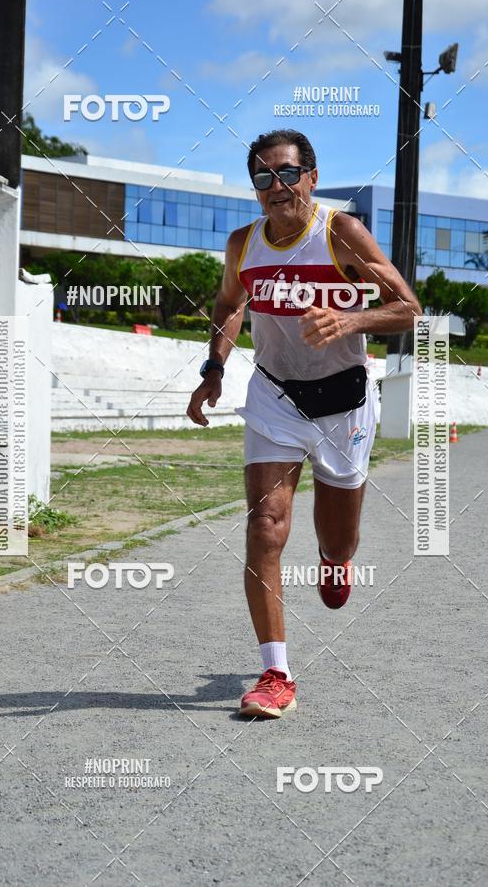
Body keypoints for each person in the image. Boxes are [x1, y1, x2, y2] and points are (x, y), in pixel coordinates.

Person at [187, 129, 421, 719]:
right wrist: (214, 367)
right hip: (275, 397)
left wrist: (350, 322)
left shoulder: (340, 232)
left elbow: (409, 309)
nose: (277, 187)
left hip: (344, 403)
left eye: (288, 174)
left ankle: (335, 559)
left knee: (339, 538)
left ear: (311, 178)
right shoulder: (243, 244)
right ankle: (275, 673)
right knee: (265, 525)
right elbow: (230, 303)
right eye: (263, 178)